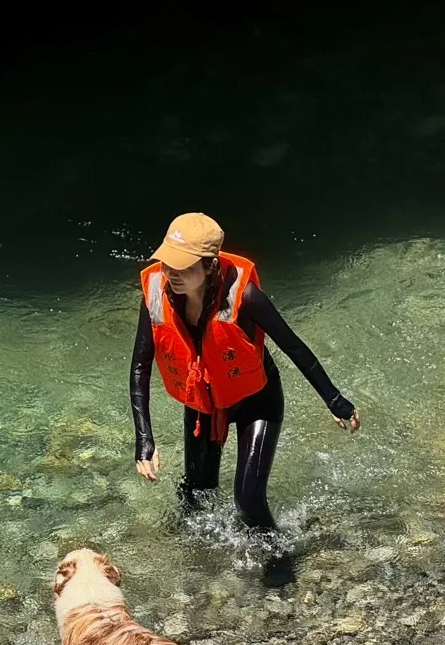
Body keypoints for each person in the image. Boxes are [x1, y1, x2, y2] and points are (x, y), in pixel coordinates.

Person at [130, 212, 360, 587]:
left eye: (183, 266)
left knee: (248, 500)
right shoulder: (156, 293)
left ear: (209, 265)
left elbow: (293, 346)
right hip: (205, 404)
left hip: (257, 401)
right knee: (196, 495)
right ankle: (198, 569)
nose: (171, 272)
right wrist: (145, 440)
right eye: (167, 261)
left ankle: (279, 554)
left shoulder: (246, 297)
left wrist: (335, 400)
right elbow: (140, 367)